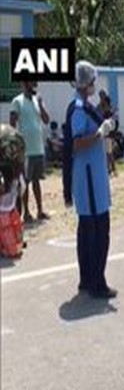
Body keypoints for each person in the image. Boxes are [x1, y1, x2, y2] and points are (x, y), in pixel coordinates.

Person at [70, 60, 118, 299]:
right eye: (92, 82)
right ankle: (97, 283)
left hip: (92, 179)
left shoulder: (83, 106)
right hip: (90, 181)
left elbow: (93, 117)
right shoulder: (79, 108)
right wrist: (101, 132)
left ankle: (87, 279)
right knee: (98, 232)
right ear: (86, 82)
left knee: (87, 231)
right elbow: (78, 141)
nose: (94, 85)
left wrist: (103, 112)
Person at [9, 81, 50, 223]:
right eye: (31, 83)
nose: (34, 85)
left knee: (37, 181)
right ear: (24, 84)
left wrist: (41, 103)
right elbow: (12, 124)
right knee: (25, 183)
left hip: (38, 147)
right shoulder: (17, 101)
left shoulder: (37, 100)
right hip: (25, 150)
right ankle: (26, 213)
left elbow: (46, 120)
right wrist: (16, 146)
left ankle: (40, 210)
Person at [0, 124, 26, 258]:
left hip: (7, 212)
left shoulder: (12, 173)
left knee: (14, 249)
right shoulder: (14, 172)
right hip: (7, 212)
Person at [97, 90, 118, 177]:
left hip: (108, 134)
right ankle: (111, 169)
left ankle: (110, 170)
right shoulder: (100, 106)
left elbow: (112, 119)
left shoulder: (108, 108)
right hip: (104, 133)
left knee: (108, 152)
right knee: (108, 152)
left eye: (102, 96)